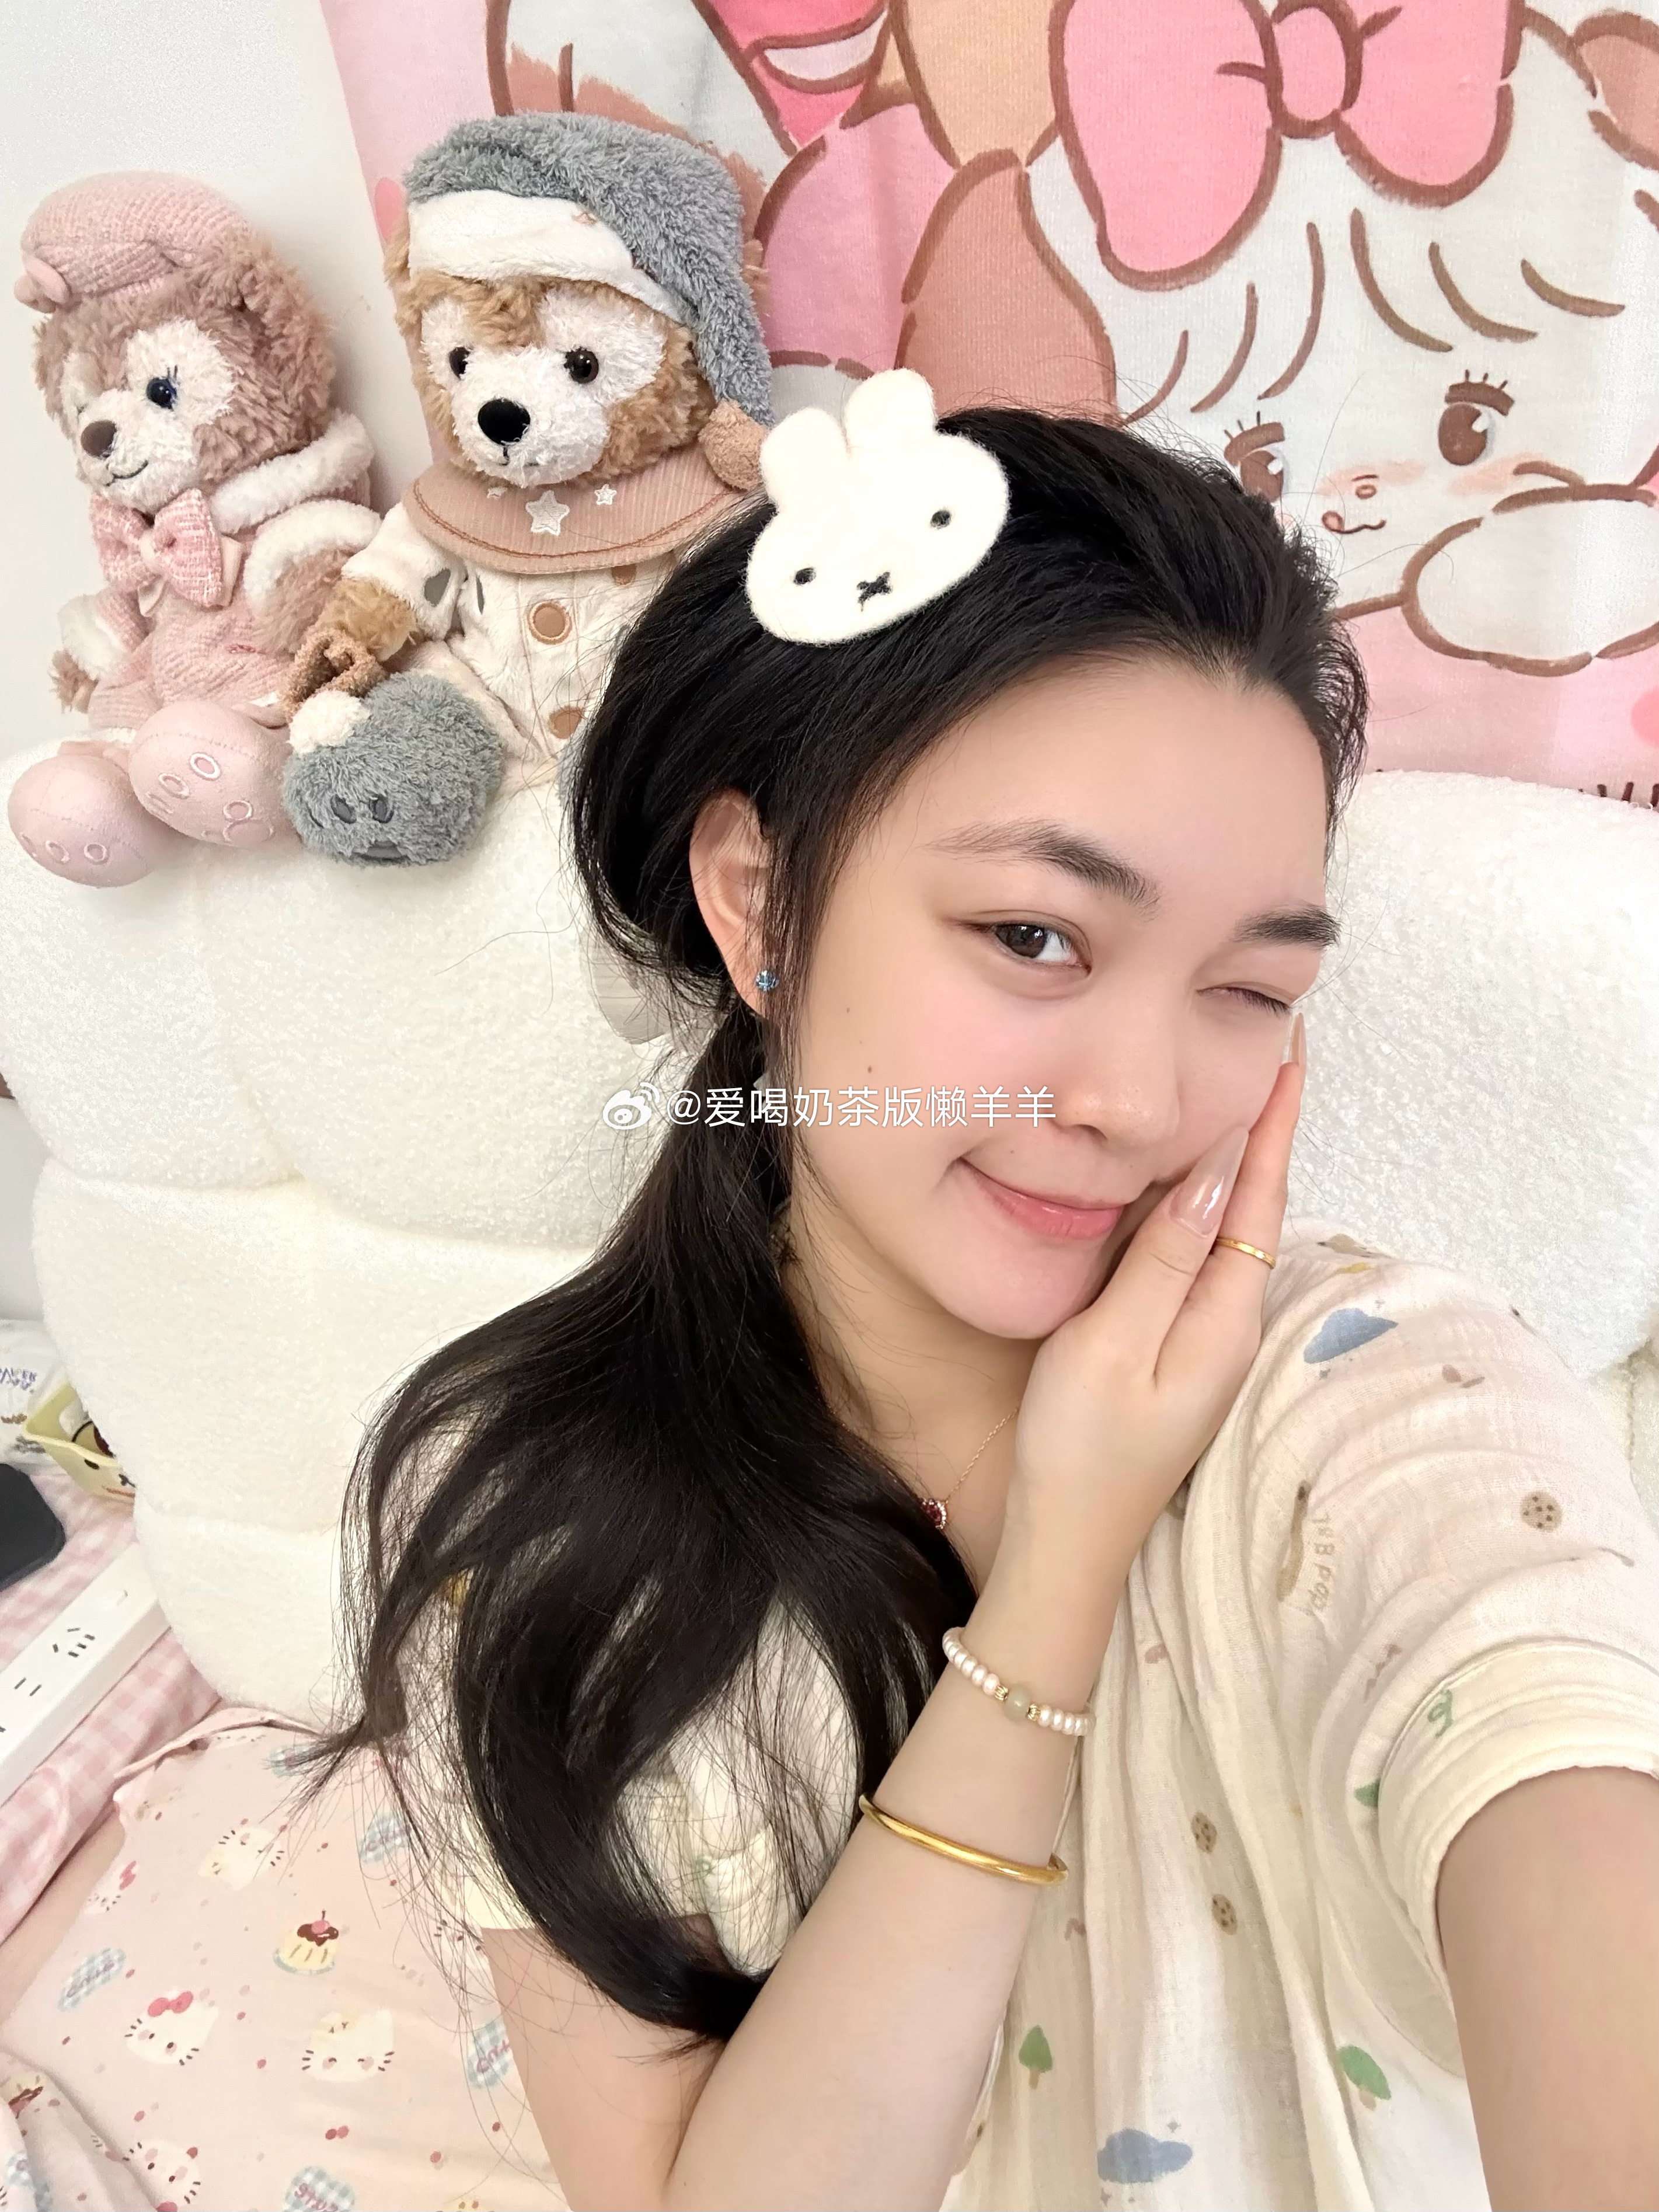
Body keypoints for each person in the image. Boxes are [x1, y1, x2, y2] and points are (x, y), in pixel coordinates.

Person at [314, 395, 1659, 2211]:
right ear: (756, 901)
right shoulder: (529, 1530)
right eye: (1035, 936)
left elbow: (1536, 1730)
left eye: (1248, 988)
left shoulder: (1374, 1393)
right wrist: (1053, 1581)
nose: (1137, 1101)